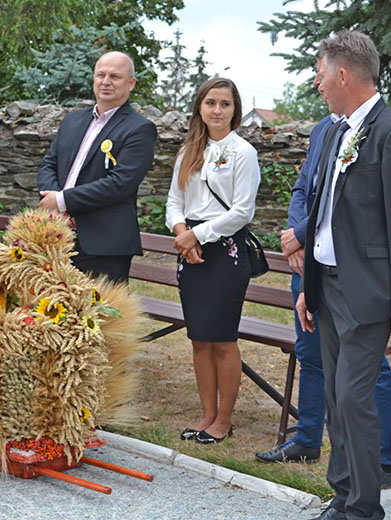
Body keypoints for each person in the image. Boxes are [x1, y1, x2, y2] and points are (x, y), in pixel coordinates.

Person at [295, 30, 391, 520]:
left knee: (355, 398)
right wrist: (309, 287)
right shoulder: (333, 131)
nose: (317, 82)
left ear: (343, 74)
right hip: (327, 285)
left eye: (320, 72)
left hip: (368, 291)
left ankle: (365, 509)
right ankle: (344, 494)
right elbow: (322, 213)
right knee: (336, 394)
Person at [256, 114, 391, 490]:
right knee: (311, 355)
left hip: (348, 268)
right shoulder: (324, 128)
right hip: (309, 266)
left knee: (369, 368)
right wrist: (295, 238)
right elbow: (303, 189)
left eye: (322, 73)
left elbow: (350, 201)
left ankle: (383, 459)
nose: (316, 81)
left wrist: (302, 235)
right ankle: (307, 439)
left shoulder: (380, 129)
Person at [164, 78, 260, 445]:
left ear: (235, 110)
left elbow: (242, 211)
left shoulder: (242, 152)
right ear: (199, 108)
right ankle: (205, 415)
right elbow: (174, 199)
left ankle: (224, 419)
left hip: (225, 250)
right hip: (190, 251)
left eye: (224, 104)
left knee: (221, 339)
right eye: (210, 103)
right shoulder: (188, 151)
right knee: (199, 339)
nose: (217, 110)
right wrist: (181, 232)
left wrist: (197, 236)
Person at [37, 51, 157, 283]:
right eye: (100, 74)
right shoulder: (73, 120)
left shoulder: (140, 129)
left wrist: (63, 201)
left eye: (115, 76)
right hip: (57, 235)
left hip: (104, 245)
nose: (106, 81)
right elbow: (48, 163)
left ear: (131, 83)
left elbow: (120, 184)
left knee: (99, 316)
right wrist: (53, 202)